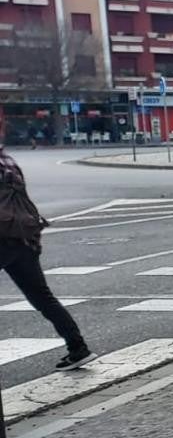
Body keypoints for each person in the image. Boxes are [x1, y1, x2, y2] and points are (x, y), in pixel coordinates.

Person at [0, 145, 96, 370]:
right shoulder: (8, 161)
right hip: (23, 236)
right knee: (42, 297)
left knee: (41, 297)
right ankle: (78, 347)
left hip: (3, 237)